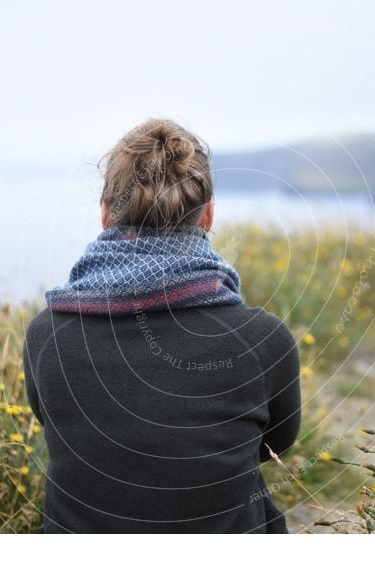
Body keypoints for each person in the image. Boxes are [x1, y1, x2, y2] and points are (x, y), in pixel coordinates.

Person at [23, 118, 301, 533]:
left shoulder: (46, 334)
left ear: (104, 215)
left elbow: (62, 429)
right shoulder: (262, 339)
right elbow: (275, 445)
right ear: (208, 216)